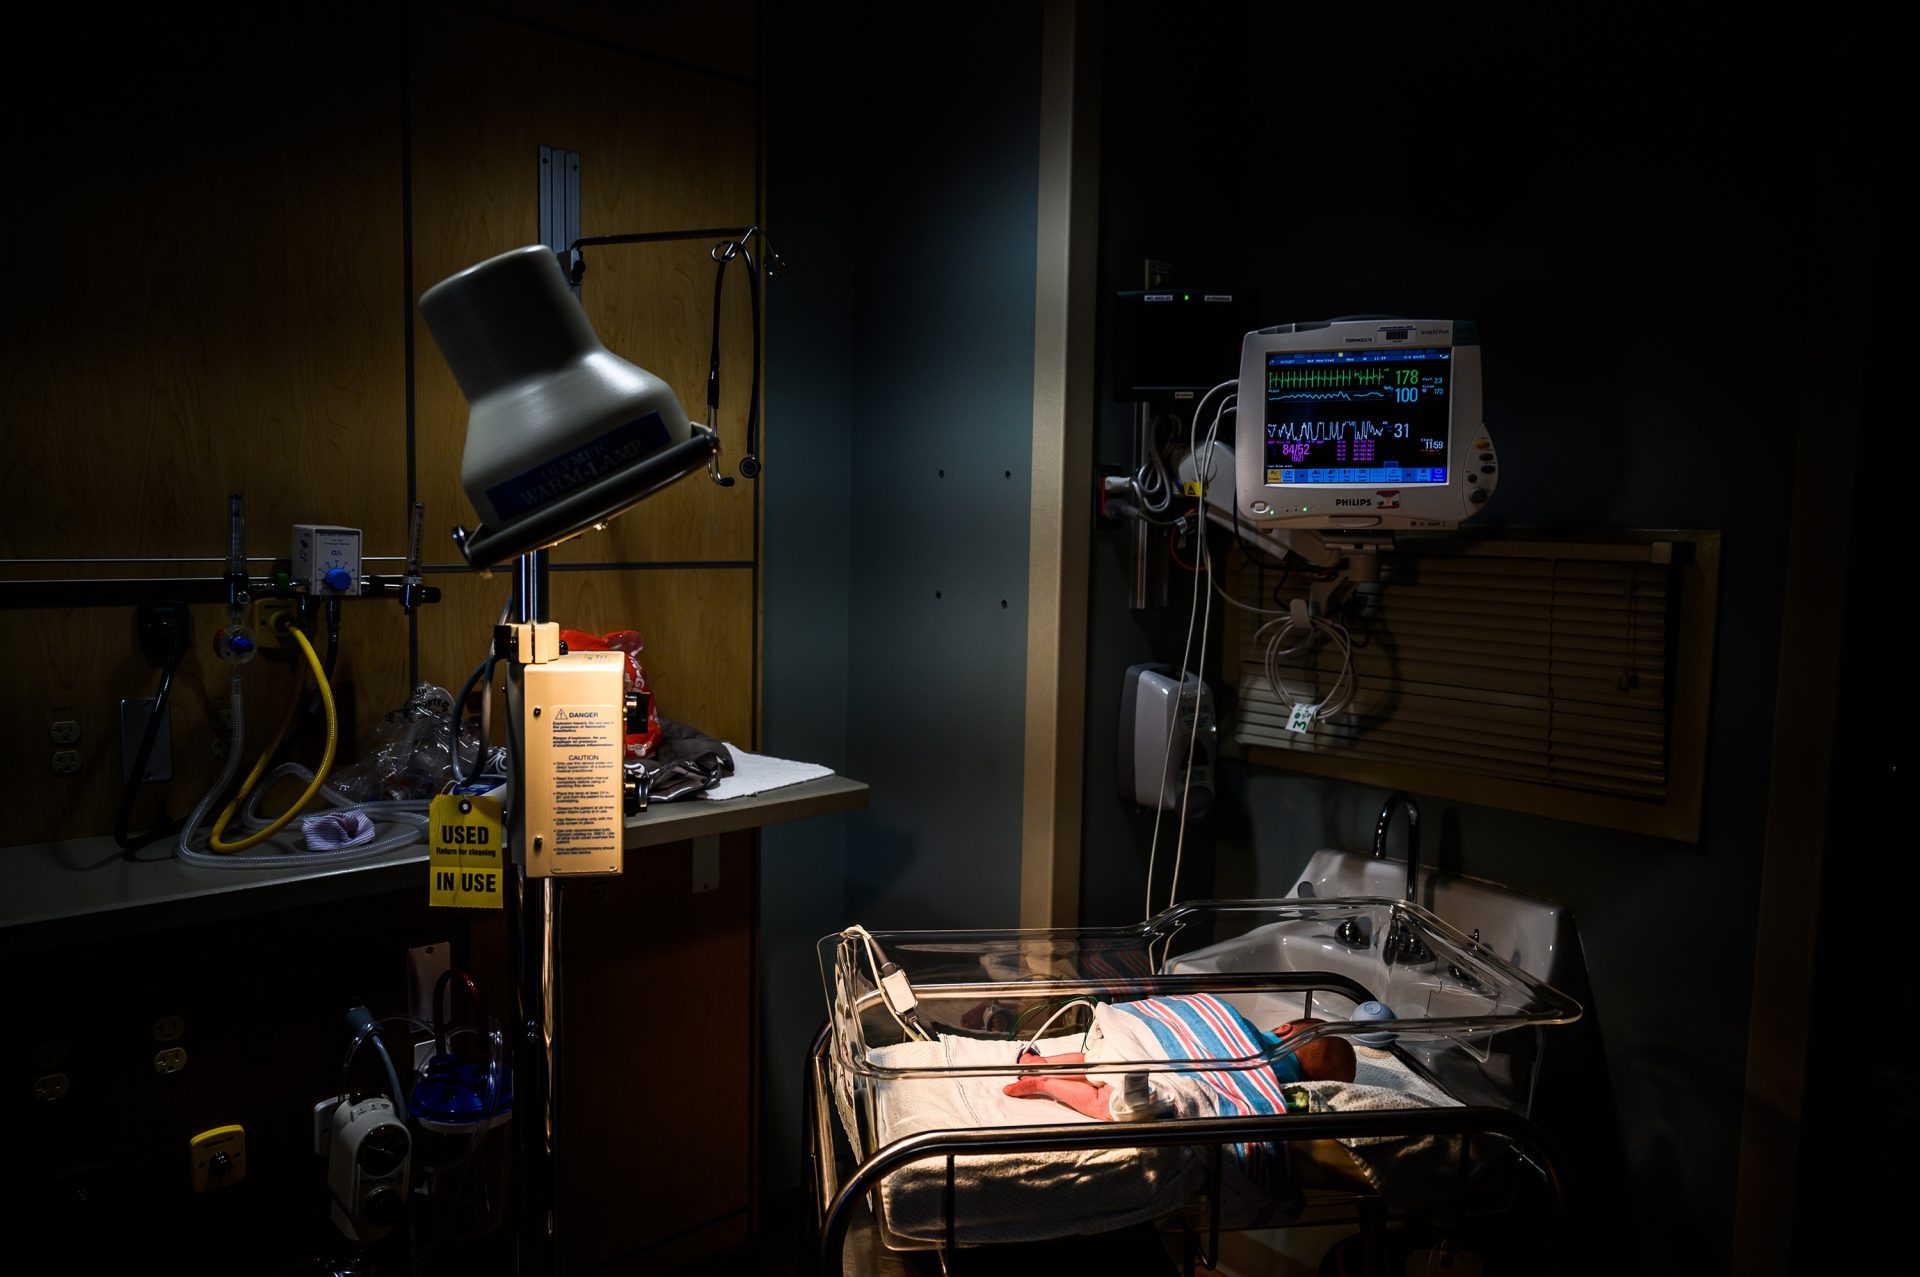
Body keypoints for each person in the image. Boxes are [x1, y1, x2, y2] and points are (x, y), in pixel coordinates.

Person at [1002, 992, 1356, 1122]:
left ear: (1282, 1029)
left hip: (1140, 1037)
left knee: (1096, 1060)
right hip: (1148, 1073)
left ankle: (1044, 1064)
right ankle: (1045, 1082)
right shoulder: (1273, 1083)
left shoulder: (1248, 1029)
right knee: (1105, 1099)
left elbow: (1201, 1015)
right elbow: (1245, 1095)